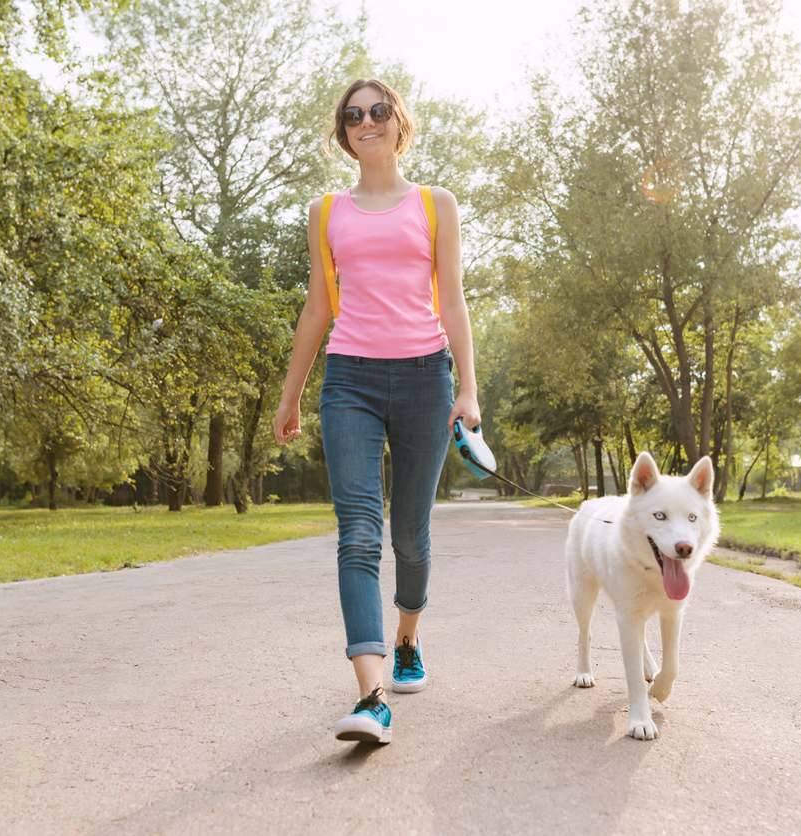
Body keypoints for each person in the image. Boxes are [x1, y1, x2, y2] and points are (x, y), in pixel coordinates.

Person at [272, 79, 480, 744]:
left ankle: (408, 640)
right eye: (353, 115)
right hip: (350, 383)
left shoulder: (434, 204)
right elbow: (318, 307)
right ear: (344, 132)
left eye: (378, 111)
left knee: (410, 538)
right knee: (357, 531)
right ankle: (370, 696)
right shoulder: (326, 210)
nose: (367, 122)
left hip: (425, 380)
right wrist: (291, 393)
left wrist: (467, 391)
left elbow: (452, 302)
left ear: (399, 123)